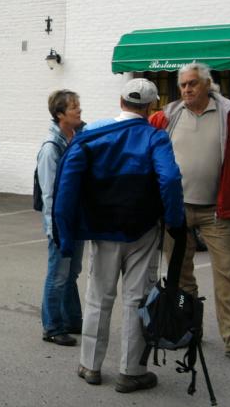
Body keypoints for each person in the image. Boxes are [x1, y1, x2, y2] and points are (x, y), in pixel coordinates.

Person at [53, 78, 185, 393]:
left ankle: (90, 366)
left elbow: (67, 186)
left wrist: (64, 233)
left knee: (98, 297)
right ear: (150, 106)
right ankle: (132, 371)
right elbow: (169, 180)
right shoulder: (156, 137)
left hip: (101, 230)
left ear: (121, 100)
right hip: (143, 231)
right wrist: (176, 221)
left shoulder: (91, 135)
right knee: (137, 299)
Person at [149, 62, 230, 365]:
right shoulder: (169, 115)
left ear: (207, 85)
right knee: (182, 273)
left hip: (215, 210)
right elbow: (140, 136)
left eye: (192, 84)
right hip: (176, 209)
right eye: (183, 85)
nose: (187, 89)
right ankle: (189, 329)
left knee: (227, 271)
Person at [38, 89, 84, 346]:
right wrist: (54, 228)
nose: (79, 110)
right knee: (57, 274)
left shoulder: (76, 138)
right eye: (74, 107)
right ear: (59, 114)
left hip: (77, 220)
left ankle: (72, 320)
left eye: (78, 105)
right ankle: (52, 327)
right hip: (61, 223)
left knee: (71, 272)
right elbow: (49, 196)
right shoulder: (50, 148)